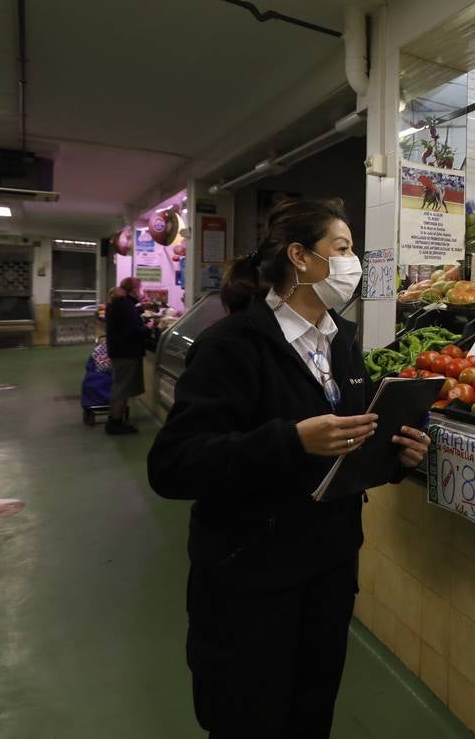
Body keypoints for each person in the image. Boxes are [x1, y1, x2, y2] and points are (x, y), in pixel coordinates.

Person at [148, 198, 431, 739]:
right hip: (250, 582)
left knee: (310, 713)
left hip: (326, 574)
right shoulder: (233, 346)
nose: (354, 264)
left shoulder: (342, 344)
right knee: (250, 719)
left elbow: (346, 446)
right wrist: (290, 440)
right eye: (343, 249)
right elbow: (173, 465)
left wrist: (394, 458)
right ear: (300, 256)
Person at [104, 276, 150, 435]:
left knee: (119, 386)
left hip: (118, 351)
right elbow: (133, 330)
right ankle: (115, 423)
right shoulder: (125, 306)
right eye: (139, 288)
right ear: (134, 289)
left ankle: (114, 419)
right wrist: (148, 328)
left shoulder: (117, 303)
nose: (140, 291)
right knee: (122, 389)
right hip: (126, 352)